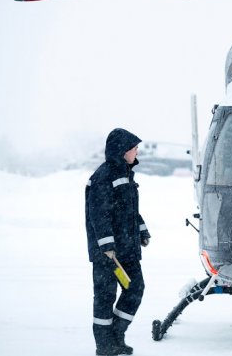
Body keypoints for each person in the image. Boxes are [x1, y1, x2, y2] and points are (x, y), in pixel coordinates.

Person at [85, 128, 151, 355]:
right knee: (105, 296)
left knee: (135, 289)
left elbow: (129, 210)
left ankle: (116, 335)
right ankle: (105, 346)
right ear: (123, 150)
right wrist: (107, 247)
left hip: (127, 249)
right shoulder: (103, 176)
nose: (136, 151)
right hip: (108, 253)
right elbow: (99, 214)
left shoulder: (126, 174)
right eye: (134, 148)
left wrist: (142, 230)